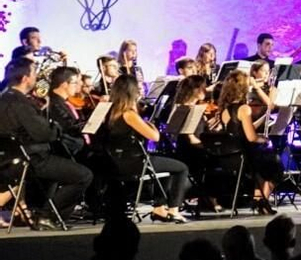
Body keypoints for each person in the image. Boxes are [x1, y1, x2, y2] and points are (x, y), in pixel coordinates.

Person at [0, 60, 93, 227]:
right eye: (34, 74)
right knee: (84, 175)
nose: (37, 78)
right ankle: (47, 215)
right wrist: (53, 124)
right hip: (30, 158)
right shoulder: (20, 103)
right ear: (25, 78)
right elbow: (44, 134)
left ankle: (37, 210)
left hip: (9, 158)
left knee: (58, 169)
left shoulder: (4, 98)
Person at [99, 73, 190, 223]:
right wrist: (151, 125)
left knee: (165, 167)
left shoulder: (110, 111)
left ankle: (159, 207)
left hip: (117, 161)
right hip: (134, 163)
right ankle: (173, 209)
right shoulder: (129, 114)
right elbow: (155, 137)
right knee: (181, 168)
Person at [213, 70, 282, 215]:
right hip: (244, 156)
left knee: (265, 159)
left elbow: (240, 129)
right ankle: (261, 199)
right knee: (274, 161)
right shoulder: (244, 108)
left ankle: (259, 199)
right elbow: (251, 137)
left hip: (230, 155)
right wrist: (263, 139)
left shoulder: (225, 109)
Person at [44, 65, 87, 158]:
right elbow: (69, 126)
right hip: (70, 151)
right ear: (64, 84)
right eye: (75, 83)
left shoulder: (64, 101)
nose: (77, 87)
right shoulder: (54, 103)